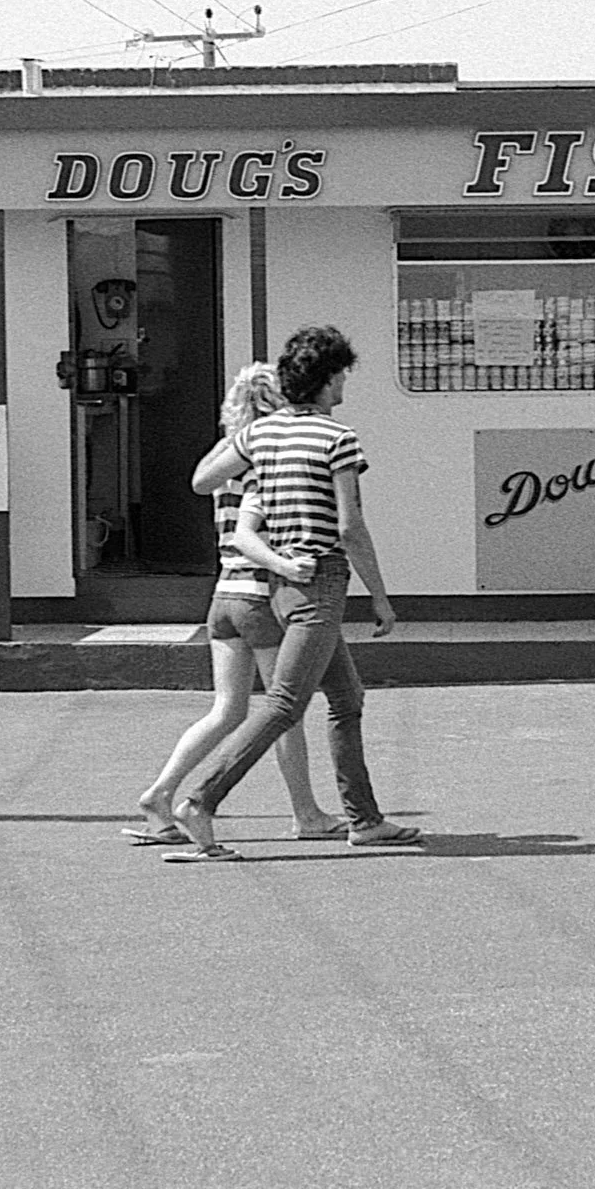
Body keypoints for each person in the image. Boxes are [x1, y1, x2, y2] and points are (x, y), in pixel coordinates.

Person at [170, 324, 421, 861]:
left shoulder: (261, 436)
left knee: (346, 697)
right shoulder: (338, 438)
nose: (345, 384)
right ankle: (200, 800)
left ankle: (365, 819)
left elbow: (203, 482)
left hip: (280, 583)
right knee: (285, 702)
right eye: (342, 375)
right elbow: (351, 526)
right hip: (322, 579)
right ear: (329, 379)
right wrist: (380, 596)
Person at [128, 362, 341, 846]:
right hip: (261, 595)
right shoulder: (271, 459)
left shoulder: (225, 456)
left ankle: (159, 793)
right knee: (284, 710)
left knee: (226, 710)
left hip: (223, 595)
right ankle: (306, 813)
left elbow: (200, 483)